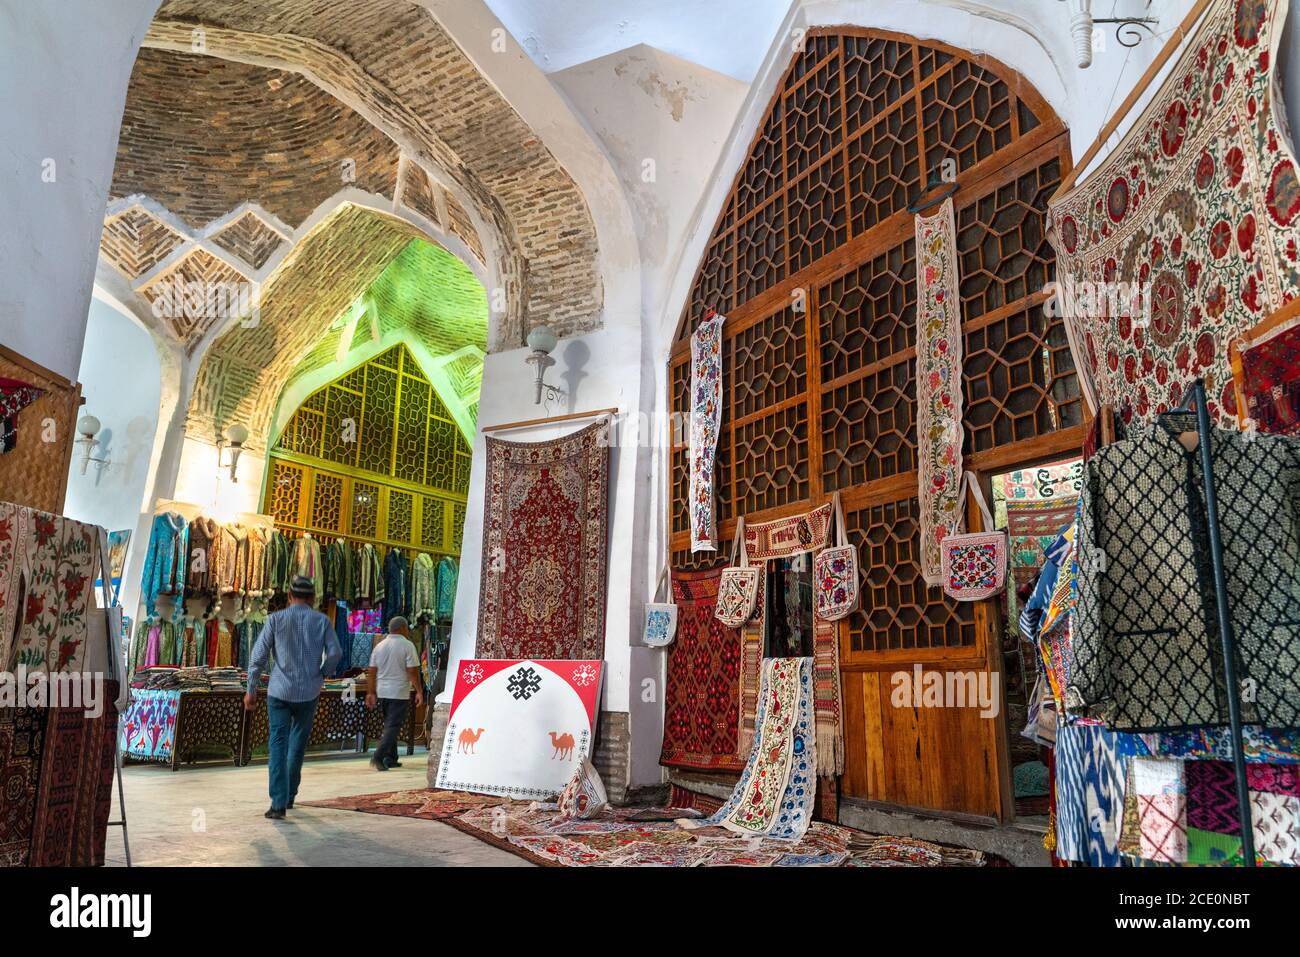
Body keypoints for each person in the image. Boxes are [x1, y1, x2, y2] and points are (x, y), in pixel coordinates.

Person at [245, 575, 342, 819]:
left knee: (278, 743)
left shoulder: (275, 619)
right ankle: (289, 796)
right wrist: (321, 674)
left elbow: (257, 658)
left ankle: (278, 803)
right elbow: (335, 653)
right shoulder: (322, 621)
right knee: (297, 744)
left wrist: (251, 690)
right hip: (308, 693)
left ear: (289, 596)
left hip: (279, 692)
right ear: (312, 598)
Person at [366, 616, 424, 771]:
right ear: (403, 628)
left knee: (389, 725)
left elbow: (371, 671)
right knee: (393, 726)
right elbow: (412, 671)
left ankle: (391, 757)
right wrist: (419, 690)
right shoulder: (407, 645)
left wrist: (370, 692)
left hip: (382, 692)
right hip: (398, 692)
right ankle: (378, 757)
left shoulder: (380, 646)